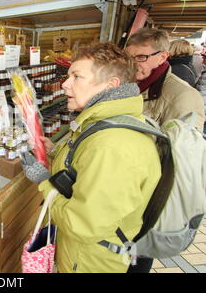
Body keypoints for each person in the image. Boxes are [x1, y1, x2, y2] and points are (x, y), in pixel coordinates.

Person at [21, 42, 161, 273]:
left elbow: (82, 225)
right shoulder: (109, 122)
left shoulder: (113, 145)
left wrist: (44, 183)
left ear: (110, 85)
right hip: (88, 256)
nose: (65, 84)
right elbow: (87, 164)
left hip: (93, 263)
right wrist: (55, 151)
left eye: (76, 76)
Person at [125, 28, 204, 132]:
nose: (132, 63)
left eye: (141, 57)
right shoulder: (123, 83)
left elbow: (182, 146)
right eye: (128, 57)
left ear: (162, 57)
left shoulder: (185, 95)